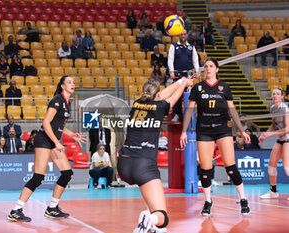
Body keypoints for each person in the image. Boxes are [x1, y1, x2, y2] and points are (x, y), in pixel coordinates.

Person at [118, 78, 193, 233]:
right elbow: (171, 99)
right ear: (157, 94)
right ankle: (150, 219)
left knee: (156, 214)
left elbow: (161, 95)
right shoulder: (159, 107)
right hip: (143, 166)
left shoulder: (137, 103)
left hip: (124, 164)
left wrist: (181, 81)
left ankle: (151, 224)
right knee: (163, 218)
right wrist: (184, 84)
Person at [7, 75, 86, 222]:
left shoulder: (67, 103)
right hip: (44, 140)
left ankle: (52, 208)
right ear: (62, 86)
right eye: (69, 82)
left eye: (73, 82)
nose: (72, 84)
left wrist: (72, 135)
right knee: (38, 177)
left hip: (53, 141)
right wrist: (57, 142)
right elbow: (46, 123)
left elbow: (59, 126)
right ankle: (16, 210)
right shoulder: (57, 100)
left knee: (67, 174)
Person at [180, 58, 251, 216]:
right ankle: (207, 201)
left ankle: (244, 199)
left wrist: (241, 130)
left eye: (211, 66)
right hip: (204, 130)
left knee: (230, 167)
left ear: (217, 69)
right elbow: (189, 111)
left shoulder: (224, 87)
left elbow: (232, 111)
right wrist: (184, 131)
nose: (208, 69)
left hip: (222, 130)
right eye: (206, 66)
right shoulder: (197, 88)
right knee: (205, 169)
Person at [259, 88, 289, 200]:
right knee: (271, 165)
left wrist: (270, 134)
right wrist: (265, 134)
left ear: (282, 96)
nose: (275, 96)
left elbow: (287, 129)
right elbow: (274, 125)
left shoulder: (285, 109)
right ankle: (273, 191)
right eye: (274, 94)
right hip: (281, 138)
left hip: (288, 138)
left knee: (287, 167)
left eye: (278, 94)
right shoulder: (272, 108)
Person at [168, 29, 200, 121]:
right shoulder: (173, 46)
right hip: (178, 75)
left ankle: (190, 115)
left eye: (185, 34)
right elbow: (170, 59)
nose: (183, 36)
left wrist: (197, 71)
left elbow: (195, 60)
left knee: (190, 96)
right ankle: (177, 115)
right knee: (177, 96)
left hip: (189, 76)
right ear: (178, 35)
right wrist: (171, 71)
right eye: (181, 34)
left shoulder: (191, 47)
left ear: (187, 35)